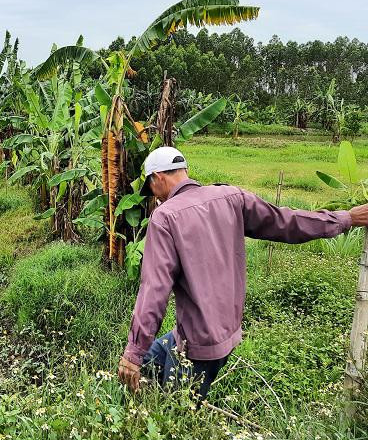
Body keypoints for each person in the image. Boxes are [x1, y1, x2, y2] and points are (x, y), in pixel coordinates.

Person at [117, 146, 368, 400]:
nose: (152, 194)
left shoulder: (165, 217)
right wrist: (345, 217)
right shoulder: (231, 197)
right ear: (185, 171)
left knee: (175, 415)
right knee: (153, 358)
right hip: (222, 335)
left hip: (197, 348)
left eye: (149, 186)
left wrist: (133, 353)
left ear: (158, 178)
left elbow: (154, 291)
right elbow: (288, 222)